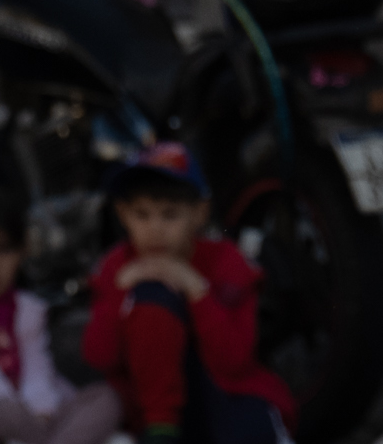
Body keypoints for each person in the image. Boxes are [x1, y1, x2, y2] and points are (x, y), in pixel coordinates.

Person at [78, 144, 294, 444]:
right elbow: (99, 355)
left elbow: (234, 361)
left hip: (224, 393)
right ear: (123, 215)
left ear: (199, 214)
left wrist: (196, 289)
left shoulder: (227, 262)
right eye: (142, 215)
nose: (155, 229)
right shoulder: (117, 266)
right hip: (148, 409)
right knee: (153, 294)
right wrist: (120, 292)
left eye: (170, 215)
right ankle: (161, 432)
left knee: (255, 428)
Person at [0, 193, 122, 444]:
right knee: (6, 412)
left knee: (106, 398)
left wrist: (41, 414)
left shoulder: (28, 308)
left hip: (37, 421)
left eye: (3, 250)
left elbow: (38, 370)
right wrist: (28, 418)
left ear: (22, 252)